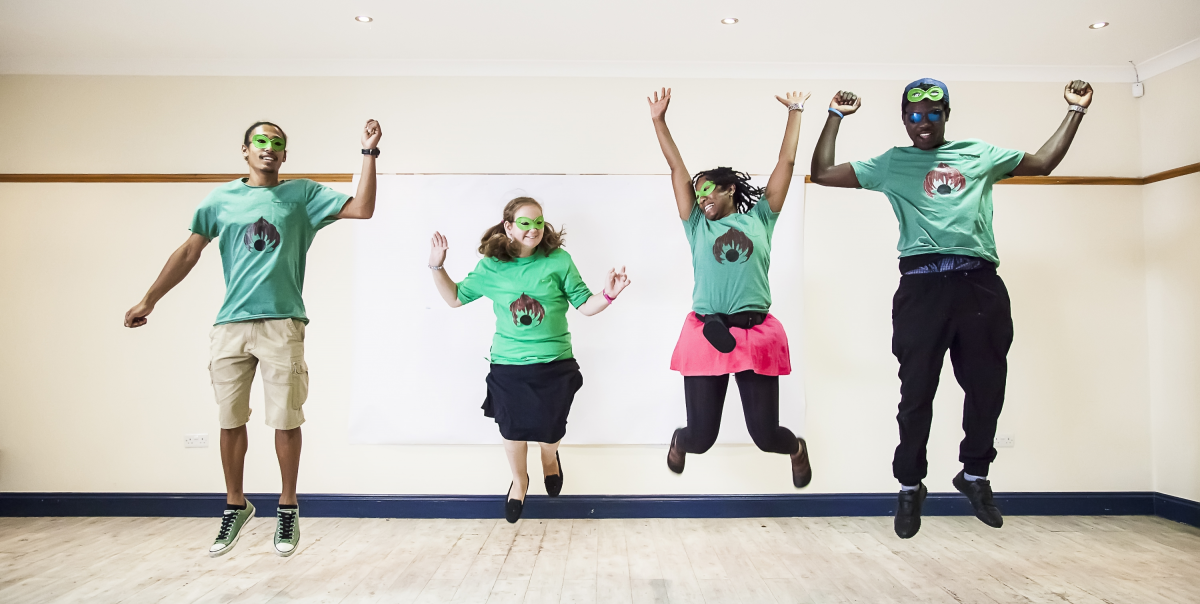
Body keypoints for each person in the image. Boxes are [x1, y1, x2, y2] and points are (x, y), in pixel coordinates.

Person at [810, 78, 1093, 538]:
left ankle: (975, 474)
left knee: (987, 387)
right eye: (915, 116)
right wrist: (835, 116)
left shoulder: (978, 154)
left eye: (933, 114)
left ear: (946, 116)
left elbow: (1041, 163)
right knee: (916, 393)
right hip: (921, 289)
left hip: (978, 285)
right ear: (905, 119)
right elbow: (822, 173)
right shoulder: (890, 163)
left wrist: (1076, 111)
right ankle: (909, 485)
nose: (924, 123)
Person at [123, 119, 383, 556]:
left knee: (285, 418)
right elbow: (189, 251)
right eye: (261, 142)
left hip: (283, 324)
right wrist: (149, 299)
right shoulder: (221, 199)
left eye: (277, 143)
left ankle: (287, 506)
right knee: (230, 419)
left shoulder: (302, 195)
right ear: (245, 150)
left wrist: (368, 154)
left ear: (284, 154)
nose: (269, 148)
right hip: (231, 325)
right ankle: (235, 504)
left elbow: (362, 208)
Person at [647, 87, 813, 487]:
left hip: (755, 333)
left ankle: (796, 448)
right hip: (708, 332)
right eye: (697, 191)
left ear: (729, 190)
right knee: (701, 439)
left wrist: (795, 111)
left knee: (766, 437)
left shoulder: (761, 218)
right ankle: (679, 440)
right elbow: (677, 171)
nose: (700, 195)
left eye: (708, 189)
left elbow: (786, 162)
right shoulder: (696, 225)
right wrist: (658, 121)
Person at [428, 197, 630, 523]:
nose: (534, 229)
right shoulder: (491, 267)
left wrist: (607, 294)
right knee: (512, 431)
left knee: (550, 431)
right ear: (508, 226)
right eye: (525, 223)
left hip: (555, 362)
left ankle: (550, 458)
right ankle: (520, 481)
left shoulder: (558, 261)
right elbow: (454, 298)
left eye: (538, 222)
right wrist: (437, 266)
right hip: (508, 364)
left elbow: (585, 304)